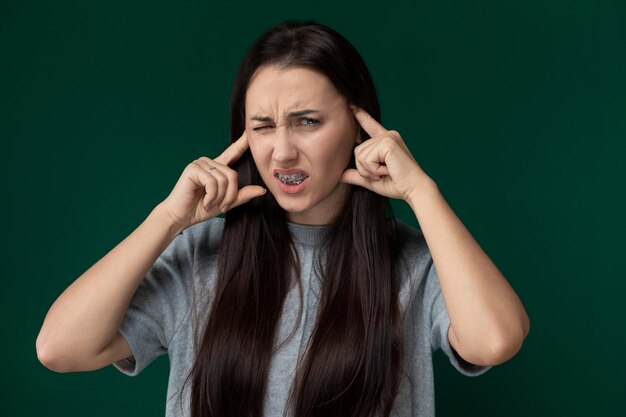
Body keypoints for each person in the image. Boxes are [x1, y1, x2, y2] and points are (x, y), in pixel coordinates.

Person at [36, 20, 530, 417]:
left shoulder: (416, 265)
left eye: (307, 122)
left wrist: (421, 192)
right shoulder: (197, 256)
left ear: (361, 128)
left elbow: (495, 340)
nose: (283, 152)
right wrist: (167, 219)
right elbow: (60, 348)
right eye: (263, 127)